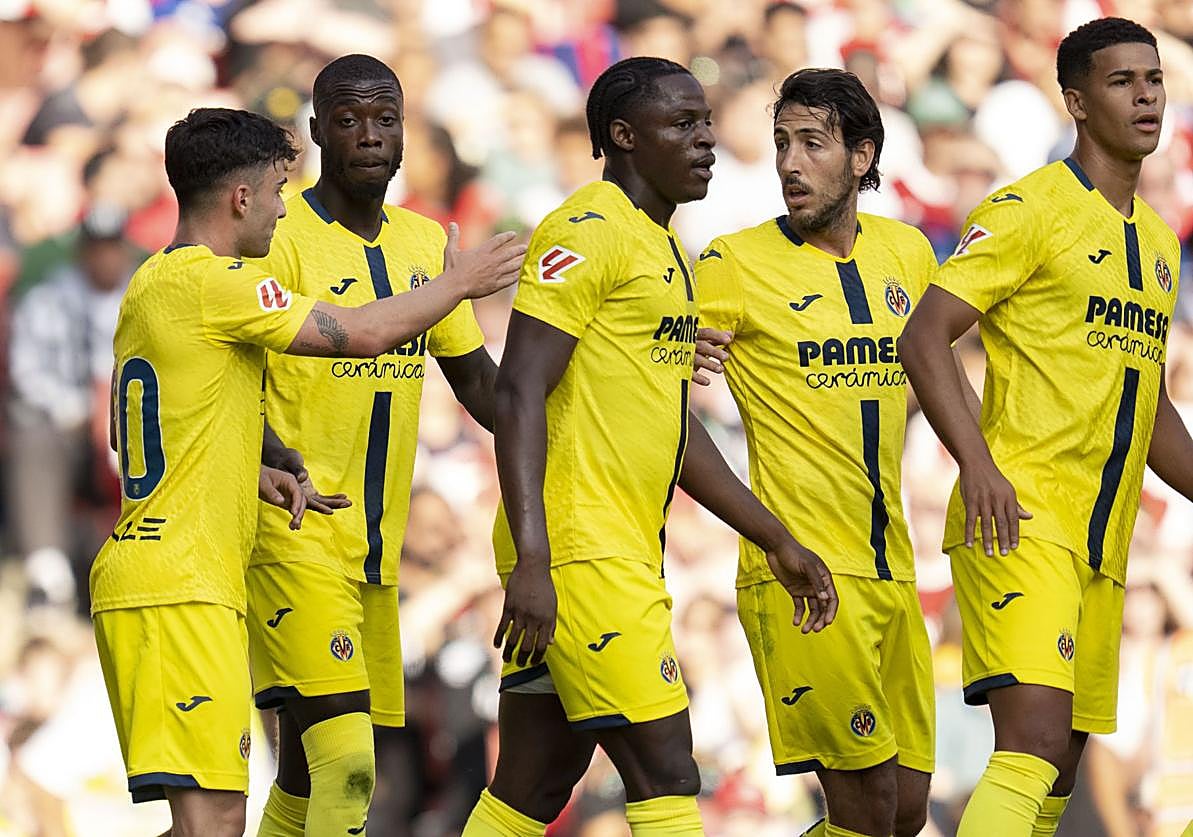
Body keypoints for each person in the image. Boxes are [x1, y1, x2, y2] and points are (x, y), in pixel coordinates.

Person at [91, 106, 524, 837]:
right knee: (216, 823)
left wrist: (256, 463)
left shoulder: (153, 285)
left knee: (212, 821)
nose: (283, 206)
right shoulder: (219, 283)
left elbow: (150, 421)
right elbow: (359, 332)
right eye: (277, 190)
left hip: (174, 576)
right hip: (177, 583)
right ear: (240, 198)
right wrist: (463, 282)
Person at [461, 56, 837, 837]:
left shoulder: (665, 251)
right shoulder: (587, 229)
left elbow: (672, 427)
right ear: (624, 136)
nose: (705, 140)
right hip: (577, 552)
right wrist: (534, 558)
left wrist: (774, 537)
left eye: (705, 123)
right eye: (683, 125)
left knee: (534, 783)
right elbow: (519, 389)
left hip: (611, 548)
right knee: (666, 769)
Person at [898, 17, 1193, 836]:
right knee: (1028, 745)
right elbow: (923, 334)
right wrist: (979, 465)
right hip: (1018, 516)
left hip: (1103, 540)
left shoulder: (1160, 244)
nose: (1144, 96)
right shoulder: (1028, 207)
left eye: (1153, 79)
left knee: (1055, 774)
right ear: (1074, 100)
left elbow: (1151, 406)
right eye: (1120, 81)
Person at [245, 54, 510, 837]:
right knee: (351, 766)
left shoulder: (426, 242)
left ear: (403, 135)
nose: (369, 136)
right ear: (317, 131)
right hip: (292, 535)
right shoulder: (277, 234)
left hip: (375, 549)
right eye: (349, 120)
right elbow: (234, 374)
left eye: (385, 120)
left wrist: (599, 386)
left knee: (302, 777)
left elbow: (481, 388)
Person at [695, 68, 939, 837]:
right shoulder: (730, 263)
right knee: (862, 810)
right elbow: (659, 396)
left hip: (893, 564)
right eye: (780, 144)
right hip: (804, 571)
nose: (789, 164)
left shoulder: (907, 254)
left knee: (904, 813)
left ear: (862, 156)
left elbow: (935, 372)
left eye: (811, 143)